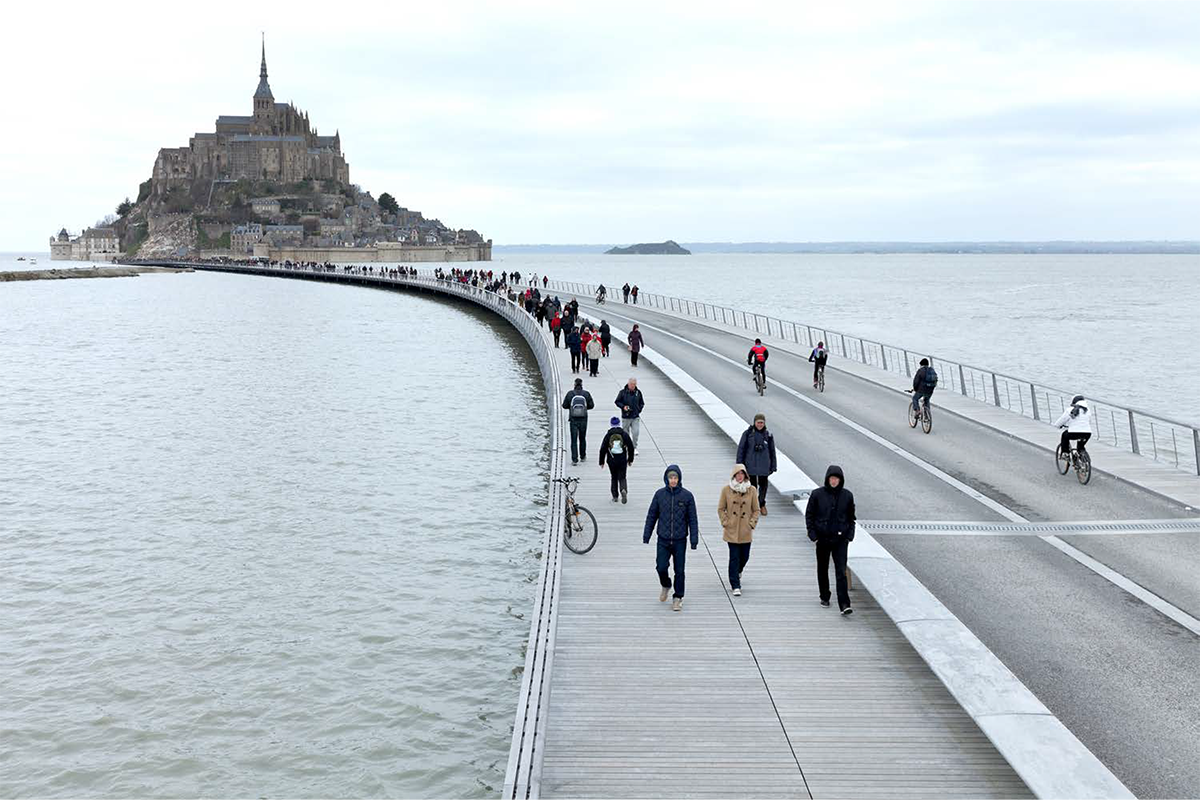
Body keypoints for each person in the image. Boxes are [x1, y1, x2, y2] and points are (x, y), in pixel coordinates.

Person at [643, 465, 699, 612]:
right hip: (663, 539)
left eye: (675, 478)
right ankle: (666, 584)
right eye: (671, 478)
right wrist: (646, 535)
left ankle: (678, 597)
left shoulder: (687, 496)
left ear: (679, 479)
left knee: (679, 570)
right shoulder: (659, 495)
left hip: (680, 540)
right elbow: (652, 515)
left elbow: (693, 519)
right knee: (661, 566)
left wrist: (694, 539)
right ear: (666, 479)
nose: (673, 480)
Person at [805, 465, 857, 615]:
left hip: (841, 540)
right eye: (832, 478)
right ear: (828, 479)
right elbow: (810, 515)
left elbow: (851, 518)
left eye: (836, 478)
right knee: (822, 568)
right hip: (822, 538)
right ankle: (825, 596)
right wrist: (813, 535)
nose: (834, 481)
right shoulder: (817, 494)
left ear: (840, 480)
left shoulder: (847, 495)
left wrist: (849, 536)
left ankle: (844, 603)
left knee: (841, 571)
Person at [718, 464, 759, 596]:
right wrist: (725, 522)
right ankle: (735, 584)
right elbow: (721, 508)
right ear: (734, 475)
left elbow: (756, 510)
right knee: (734, 557)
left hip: (746, 530)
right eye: (738, 474)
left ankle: (738, 571)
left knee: (745, 556)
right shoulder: (726, 490)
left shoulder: (752, 490)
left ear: (745, 475)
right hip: (731, 530)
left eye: (742, 474)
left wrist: (751, 523)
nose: (740, 476)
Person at [736, 413, 777, 515]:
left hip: (764, 465)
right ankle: (753, 505)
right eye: (758, 422)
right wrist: (739, 464)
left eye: (762, 423)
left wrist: (773, 465)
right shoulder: (747, 434)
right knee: (752, 487)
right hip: (750, 465)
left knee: (763, 486)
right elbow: (741, 449)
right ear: (754, 422)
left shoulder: (768, 435)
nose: (760, 424)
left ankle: (762, 504)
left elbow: (772, 451)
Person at [599, 415, 635, 503]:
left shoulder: (608, 435)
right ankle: (623, 489)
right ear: (619, 424)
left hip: (611, 460)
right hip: (622, 459)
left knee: (614, 477)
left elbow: (603, 448)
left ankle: (615, 496)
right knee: (622, 477)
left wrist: (601, 461)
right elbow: (631, 447)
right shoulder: (624, 434)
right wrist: (630, 460)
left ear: (610, 424)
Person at [561, 377, 594, 465]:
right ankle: (582, 456)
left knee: (574, 439)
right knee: (582, 438)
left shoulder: (570, 394)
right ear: (582, 384)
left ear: (574, 385)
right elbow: (591, 406)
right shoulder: (586, 394)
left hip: (573, 419)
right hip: (583, 419)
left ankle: (574, 459)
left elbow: (564, 405)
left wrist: (571, 408)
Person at [616, 377, 645, 449]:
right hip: (626, 416)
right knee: (625, 434)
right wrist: (623, 407)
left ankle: (634, 447)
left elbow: (642, 403)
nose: (633, 386)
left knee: (636, 433)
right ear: (628, 384)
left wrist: (638, 410)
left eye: (634, 384)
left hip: (635, 416)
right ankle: (626, 446)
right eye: (631, 384)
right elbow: (617, 401)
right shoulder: (622, 392)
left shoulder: (638, 392)